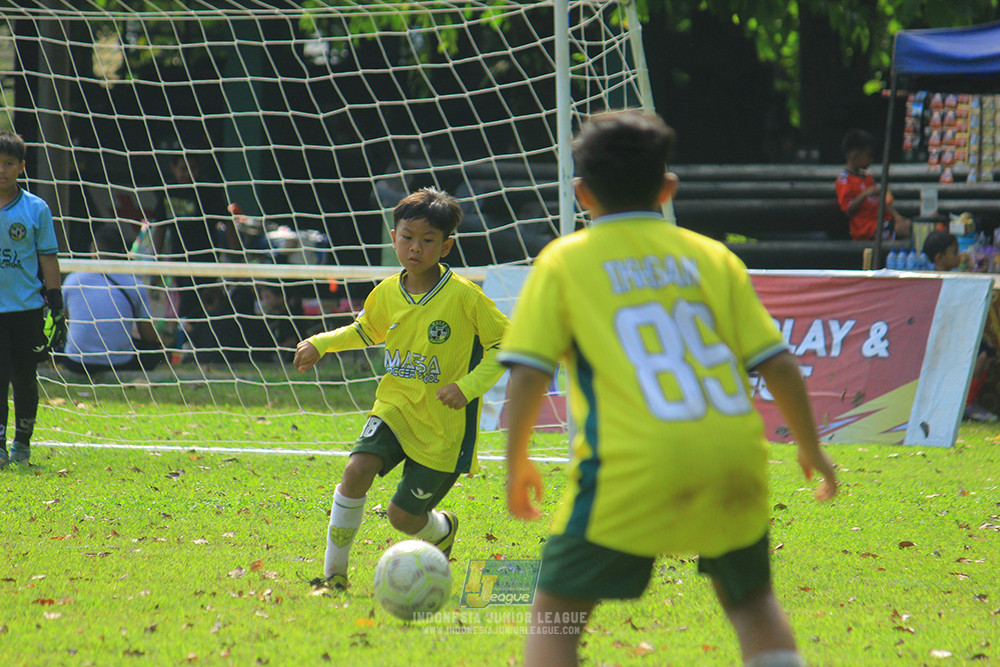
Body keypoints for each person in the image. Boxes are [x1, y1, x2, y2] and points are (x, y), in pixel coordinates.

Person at [499, 110, 838, 667]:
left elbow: (531, 372)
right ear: (668, 187)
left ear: (581, 193)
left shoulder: (563, 262)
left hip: (633, 466)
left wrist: (517, 463)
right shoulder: (713, 257)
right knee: (752, 603)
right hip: (733, 459)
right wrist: (811, 447)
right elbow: (777, 365)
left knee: (555, 611)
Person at [293, 187, 509, 589]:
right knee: (356, 469)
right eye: (407, 237)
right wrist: (321, 343)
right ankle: (332, 575)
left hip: (443, 427)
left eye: (428, 241)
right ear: (393, 237)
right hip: (393, 408)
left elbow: (506, 343)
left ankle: (442, 530)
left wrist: (468, 386)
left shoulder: (465, 296)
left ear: (446, 247)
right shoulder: (387, 291)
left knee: (402, 518)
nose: (415, 248)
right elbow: (364, 329)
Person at [0, 130, 64, 467]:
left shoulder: (36, 209)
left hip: (26, 310)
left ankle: (21, 443)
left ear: (21, 167)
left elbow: (48, 258)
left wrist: (56, 300)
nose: (2, 170)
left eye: (8, 163)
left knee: (24, 378)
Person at [59, 224, 165, 375]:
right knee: (154, 352)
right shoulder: (134, 284)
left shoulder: (72, 279)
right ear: (123, 253)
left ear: (92, 249)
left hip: (76, 362)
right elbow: (147, 334)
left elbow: (65, 321)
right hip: (119, 363)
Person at [923, 230, 997, 422]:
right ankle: (967, 404)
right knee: (984, 354)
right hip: (948, 336)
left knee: (987, 351)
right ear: (940, 257)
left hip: (954, 332)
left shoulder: (950, 277)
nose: (959, 256)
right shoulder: (940, 281)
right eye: (955, 252)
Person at [836, 129, 911, 241]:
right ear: (855, 155)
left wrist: (897, 216)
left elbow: (883, 202)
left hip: (884, 221)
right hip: (867, 228)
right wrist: (865, 194)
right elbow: (848, 210)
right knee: (905, 230)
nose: (871, 160)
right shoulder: (844, 180)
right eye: (868, 155)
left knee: (911, 225)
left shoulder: (868, 178)